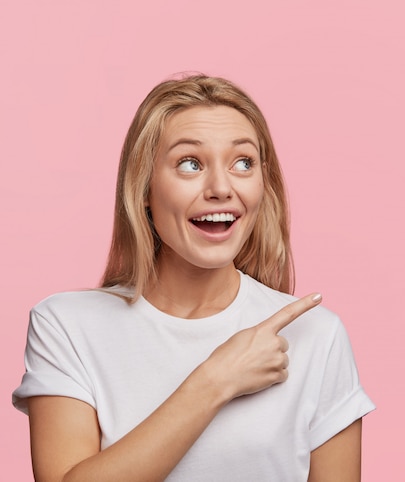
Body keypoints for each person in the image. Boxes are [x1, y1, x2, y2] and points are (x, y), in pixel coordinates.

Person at [13, 74, 374, 481]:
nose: (221, 188)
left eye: (243, 163)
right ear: (144, 186)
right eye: (190, 163)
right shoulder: (66, 325)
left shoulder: (316, 335)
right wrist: (216, 380)